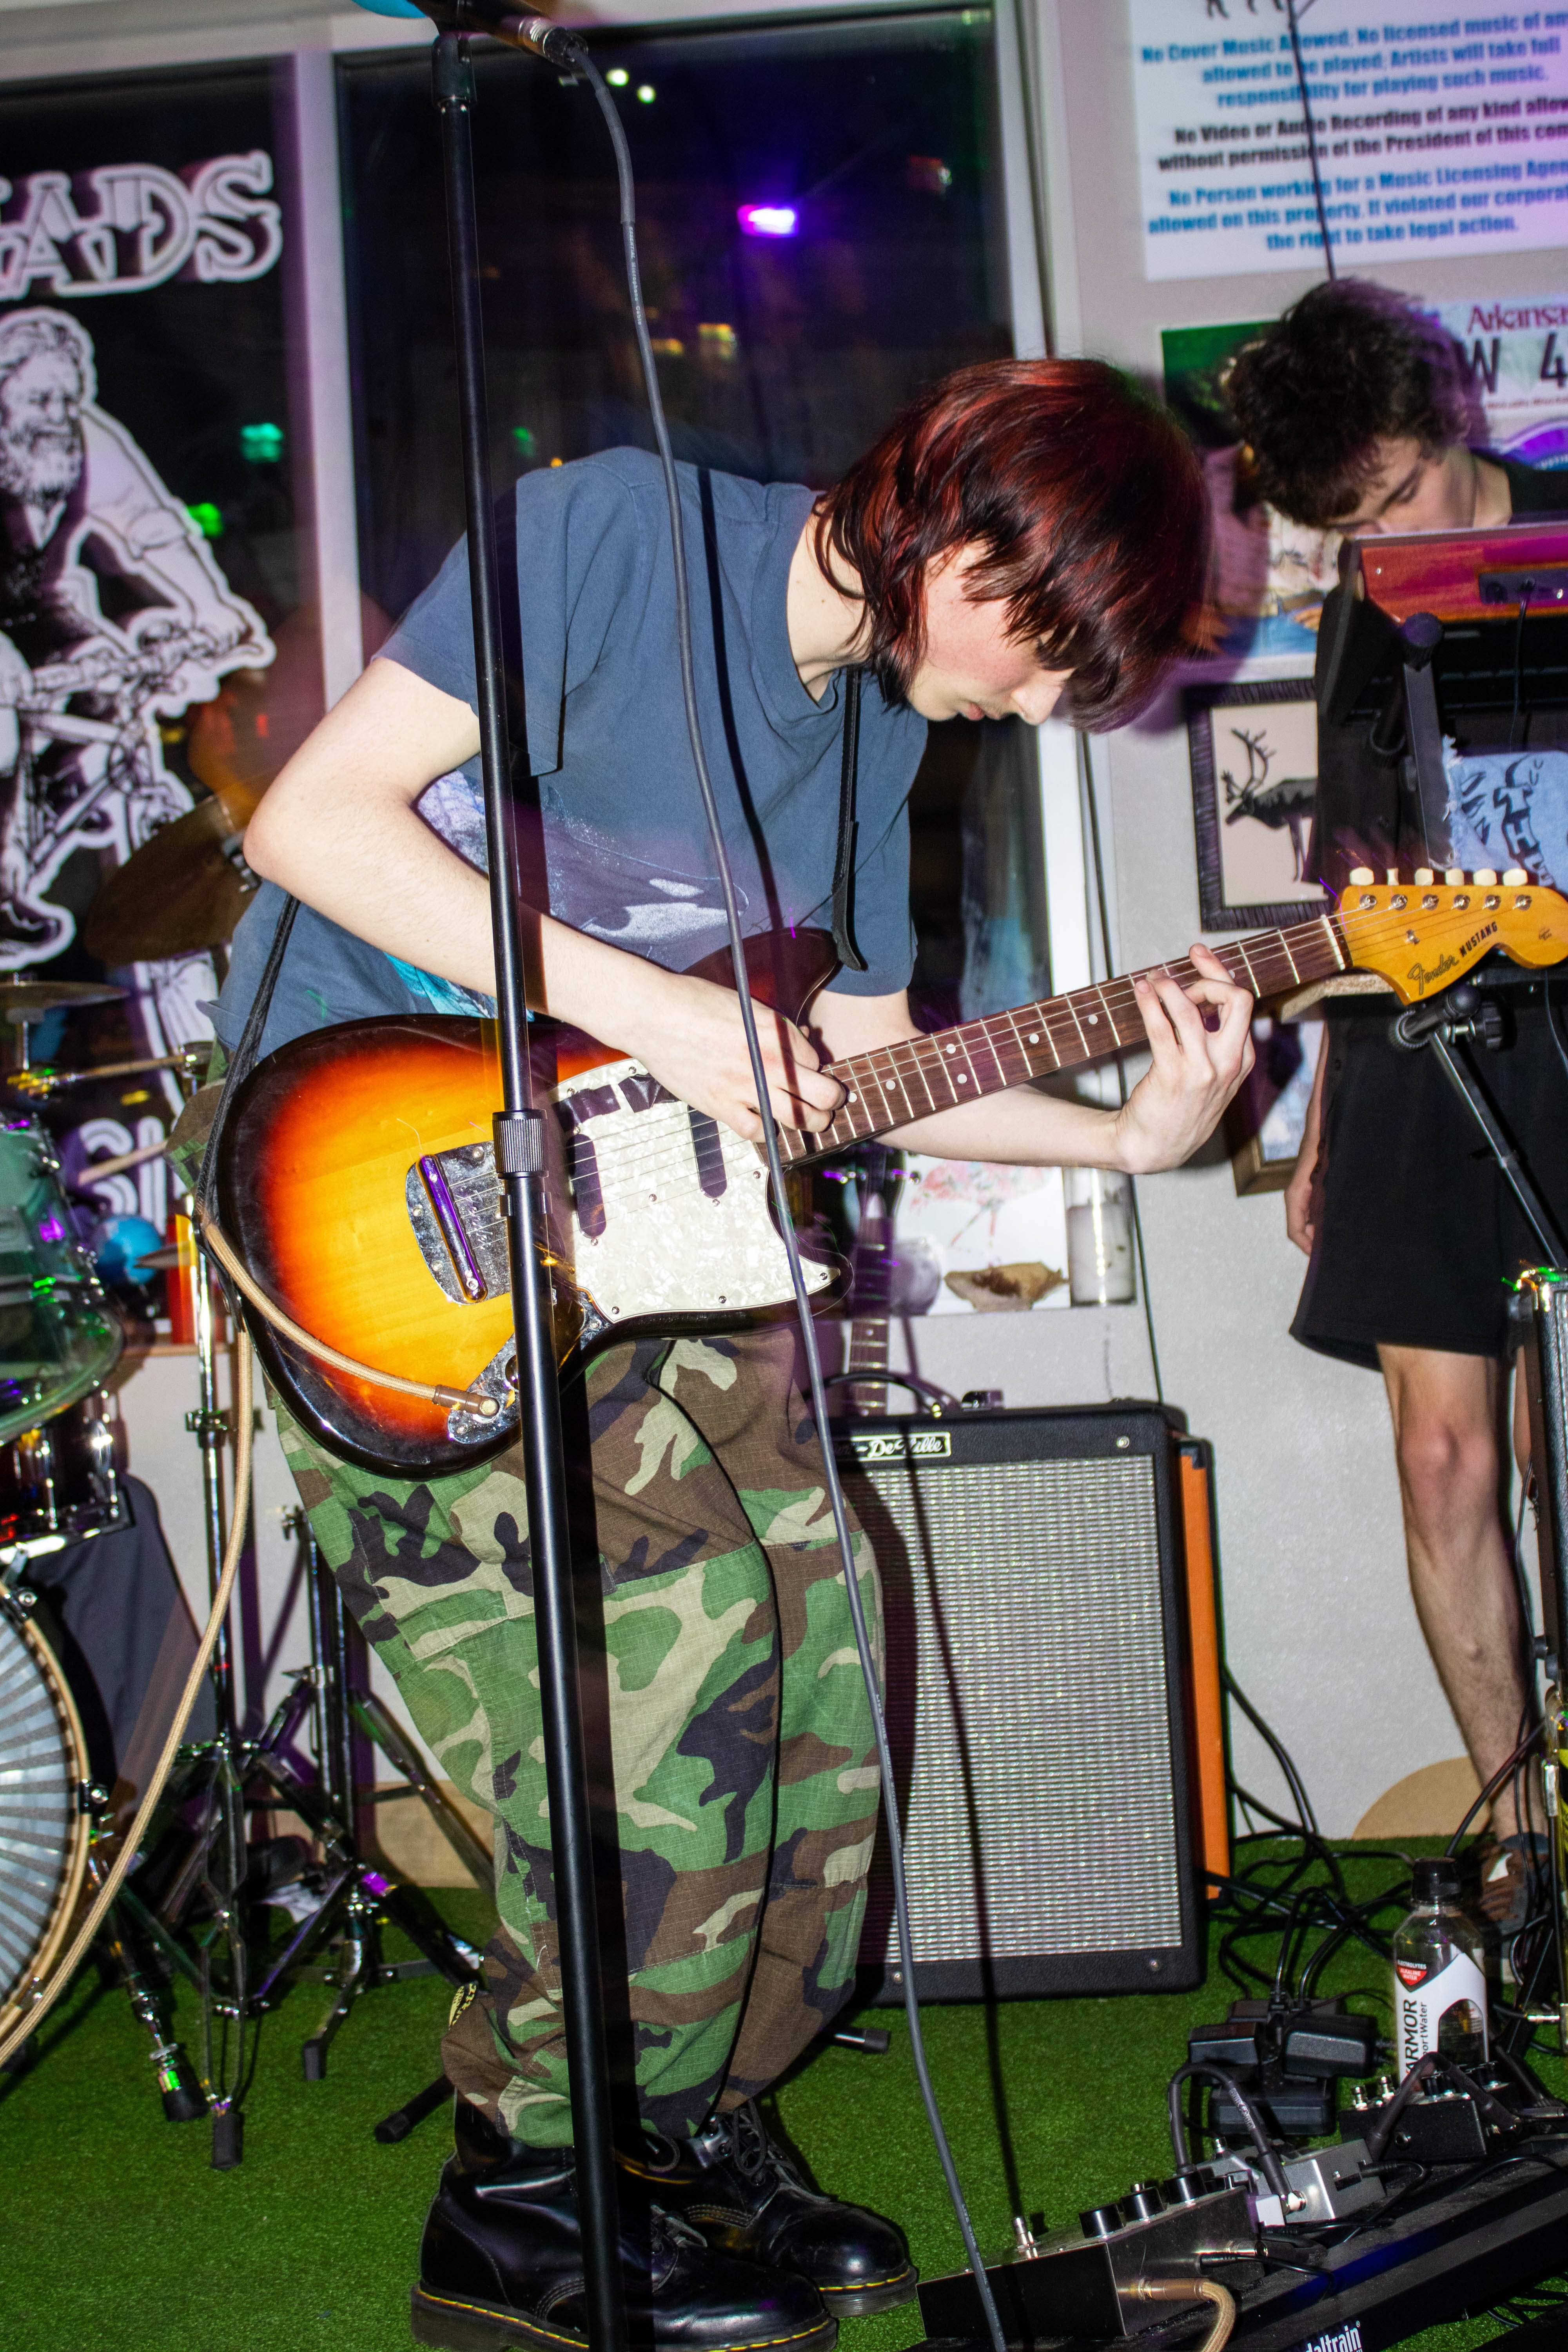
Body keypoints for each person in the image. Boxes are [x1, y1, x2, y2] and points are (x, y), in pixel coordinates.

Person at [223, 357, 1253, 2352]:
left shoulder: (870, 735)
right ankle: (522, 2191)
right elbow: (309, 824)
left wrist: (1130, 1137)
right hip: (371, 1192)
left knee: (824, 1605)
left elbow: (860, 1068)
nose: (1051, 704)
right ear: (965, 537)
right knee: (659, 1659)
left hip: (630, 1215)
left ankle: (683, 2120)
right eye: (1053, 650)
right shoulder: (612, 536)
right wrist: (666, 1013)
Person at [1226, 279, 1566, 1922]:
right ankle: (1521, 1836)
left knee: (1559, 1455)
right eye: (1348, 527)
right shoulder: (1363, 606)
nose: (1383, 543)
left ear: (1452, 416)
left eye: (1400, 497)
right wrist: (1322, 1121)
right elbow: (1357, 878)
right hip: (1426, 1050)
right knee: (1444, 1459)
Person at [0, 307, 264, 958]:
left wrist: (211, 608)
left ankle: (57, 797)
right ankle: (5, 883)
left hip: (43, 607)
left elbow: (151, 527)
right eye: (39, 399)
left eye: (67, 399)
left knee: (110, 681)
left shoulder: (84, 439)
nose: (56, 415)